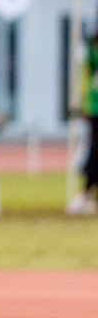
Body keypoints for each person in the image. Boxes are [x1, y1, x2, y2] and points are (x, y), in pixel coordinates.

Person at [69, 32, 98, 216]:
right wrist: (85, 104)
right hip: (95, 108)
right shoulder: (91, 53)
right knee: (95, 150)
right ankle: (87, 192)